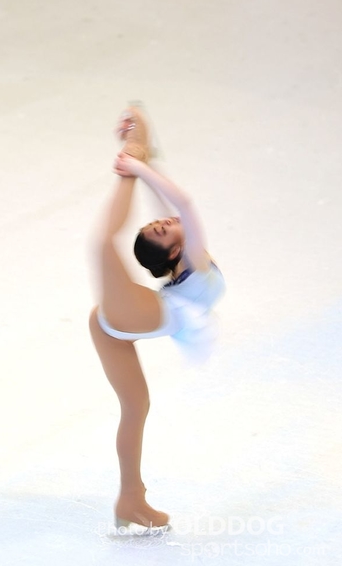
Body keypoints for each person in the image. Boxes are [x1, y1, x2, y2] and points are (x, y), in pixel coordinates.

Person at [89, 106, 225, 530]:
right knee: (103, 243)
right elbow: (182, 202)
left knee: (136, 406)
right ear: (173, 251)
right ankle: (130, 156)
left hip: (112, 326)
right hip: (129, 317)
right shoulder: (194, 259)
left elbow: (169, 203)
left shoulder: (189, 260)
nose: (166, 220)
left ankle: (131, 498)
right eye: (163, 229)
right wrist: (135, 159)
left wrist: (144, 152)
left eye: (160, 225)